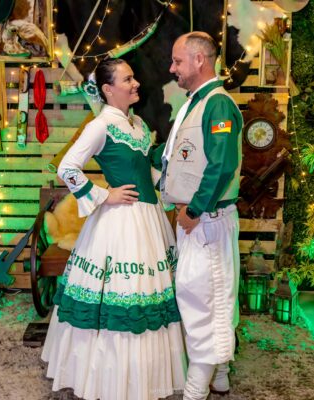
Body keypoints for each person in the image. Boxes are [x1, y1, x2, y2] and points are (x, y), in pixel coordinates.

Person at [42, 58, 186, 400]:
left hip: (149, 219)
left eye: (134, 77)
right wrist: (104, 195)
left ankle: (143, 374)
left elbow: (144, 171)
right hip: (121, 223)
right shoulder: (101, 125)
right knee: (124, 292)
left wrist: (173, 186)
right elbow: (67, 167)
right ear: (108, 89)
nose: (136, 83)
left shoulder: (137, 124)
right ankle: (110, 377)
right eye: (127, 79)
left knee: (147, 293)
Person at [160, 32, 243, 400]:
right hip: (198, 221)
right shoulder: (196, 104)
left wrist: (194, 209)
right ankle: (220, 375)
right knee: (212, 297)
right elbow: (181, 157)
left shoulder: (218, 105)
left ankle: (195, 392)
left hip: (206, 220)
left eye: (177, 61)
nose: (172, 68)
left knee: (203, 301)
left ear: (199, 60)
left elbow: (222, 164)